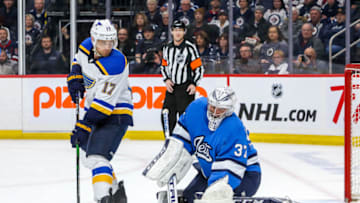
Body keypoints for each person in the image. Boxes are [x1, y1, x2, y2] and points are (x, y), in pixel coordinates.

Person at [143, 86, 261, 203]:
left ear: (229, 110)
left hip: (244, 175)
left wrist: (215, 192)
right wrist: (172, 155)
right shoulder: (196, 109)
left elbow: (229, 170)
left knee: (216, 199)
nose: (214, 113)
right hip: (209, 171)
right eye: (213, 107)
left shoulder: (234, 129)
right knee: (189, 197)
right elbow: (181, 141)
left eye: (220, 109)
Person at [66, 19, 133, 203]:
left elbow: (103, 106)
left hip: (116, 112)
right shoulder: (86, 47)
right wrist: (74, 75)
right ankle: (116, 193)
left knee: (96, 157)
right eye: (103, 42)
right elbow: (77, 60)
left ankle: (103, 198)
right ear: (93, 40)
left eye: (111, 42)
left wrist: (84, 126)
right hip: (96, 108)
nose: (107, 46)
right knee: (89, 158)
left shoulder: (116, 63)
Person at [160, 20, 204, 135]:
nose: (177, 33)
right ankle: (169, 140)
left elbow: (198, 68)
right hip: (172, 87)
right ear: (171, 32)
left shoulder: (190, 48)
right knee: (167, 115)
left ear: (184, 32)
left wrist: (194, 84)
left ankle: (186, 142)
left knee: (185, 117)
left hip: (186, 88)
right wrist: (167, 79)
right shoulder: (167, 48)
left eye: (180, 30)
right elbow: (164, 66)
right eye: (175, 30)